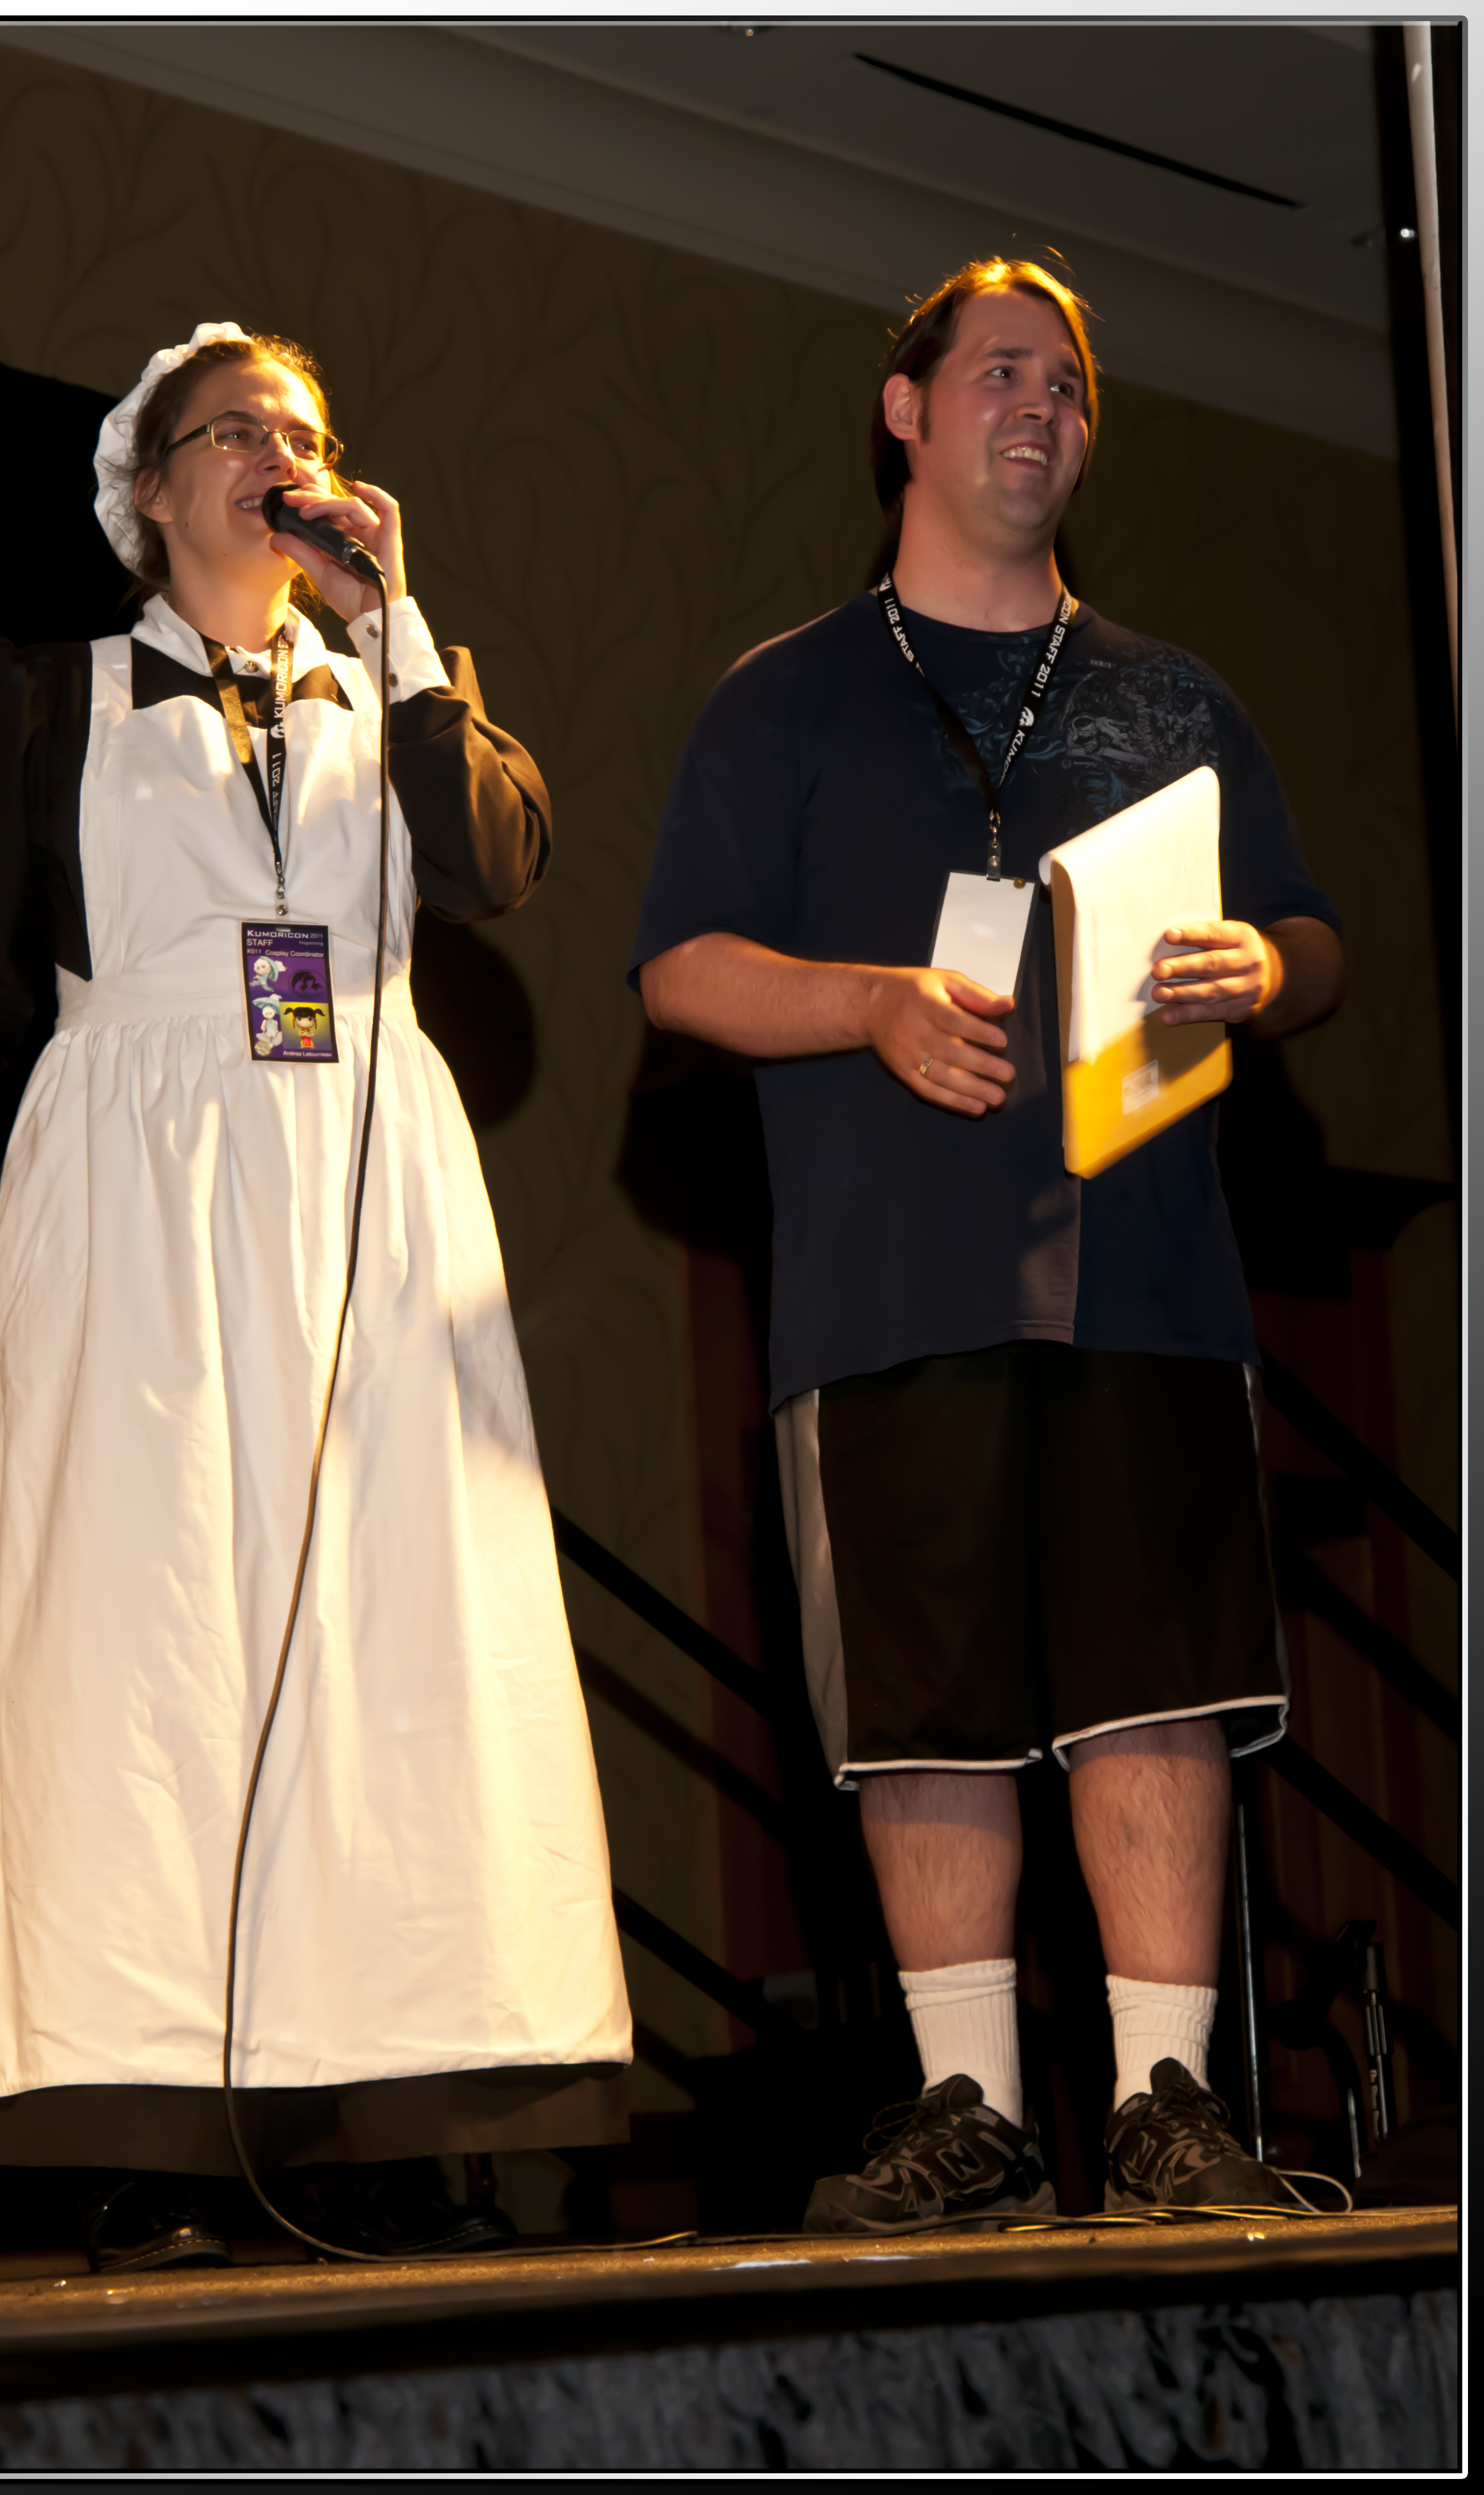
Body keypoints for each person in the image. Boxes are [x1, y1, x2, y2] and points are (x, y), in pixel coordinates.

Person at [0, 321, 631, 2270]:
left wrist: (400, 626)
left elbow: (494, 864)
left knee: (386, 1640)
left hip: (363, 1176)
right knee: (149, 1639)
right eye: (239, 428)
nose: (282, 452)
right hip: (138, 1175)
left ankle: (376, 2120)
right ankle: (153, 2131)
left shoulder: (397, 692)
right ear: (149, 487)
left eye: (307, 430)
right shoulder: (42, 699)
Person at [630, 259, 1345, 2231]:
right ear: (907, 408)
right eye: (1002, 371)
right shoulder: (781, 696)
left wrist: (1262, 964)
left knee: (1152, 1684)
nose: (1041, 406)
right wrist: (866, 1004)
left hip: (1144, 1276)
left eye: (1072, 387)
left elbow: (1310, 937)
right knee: (924, 1703)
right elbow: (680, 967)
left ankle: (1165, 2101)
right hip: (887, 1289)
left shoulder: (1171, 696)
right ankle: (971, 2110)